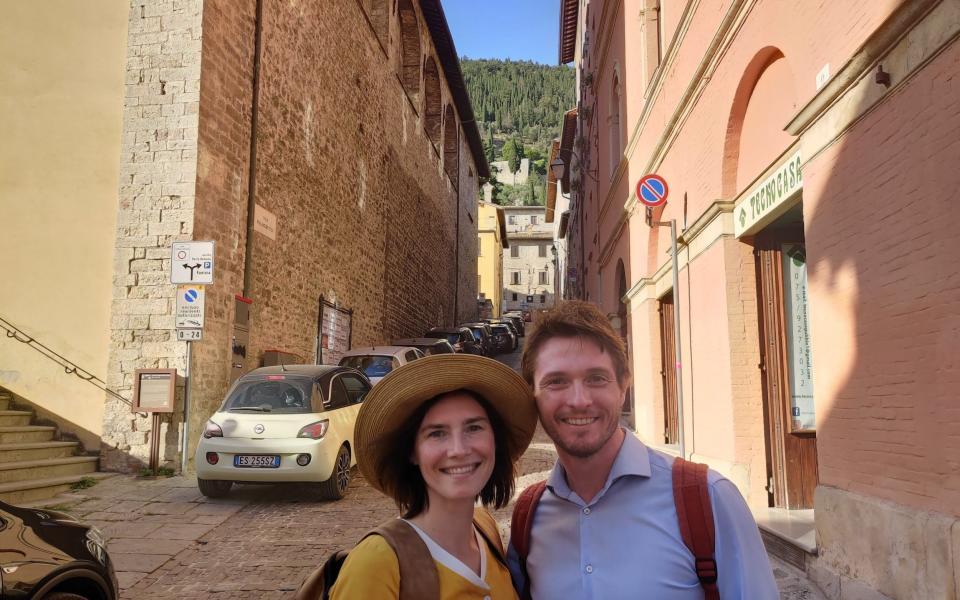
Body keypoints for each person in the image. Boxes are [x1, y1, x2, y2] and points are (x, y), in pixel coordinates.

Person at [507, 300, 779, 599]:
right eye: (556, 382)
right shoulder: (528, 517)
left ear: (624, 386)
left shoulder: (709, 498)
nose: (579, 400)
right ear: (532, 394)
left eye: (596, 378)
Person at [331, 353, 538, 599]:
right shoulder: (376, 564)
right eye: (437, 433)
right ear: (412, 452)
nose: (459, 450)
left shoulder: (486, 530)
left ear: (495, 440)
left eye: (474, 428)